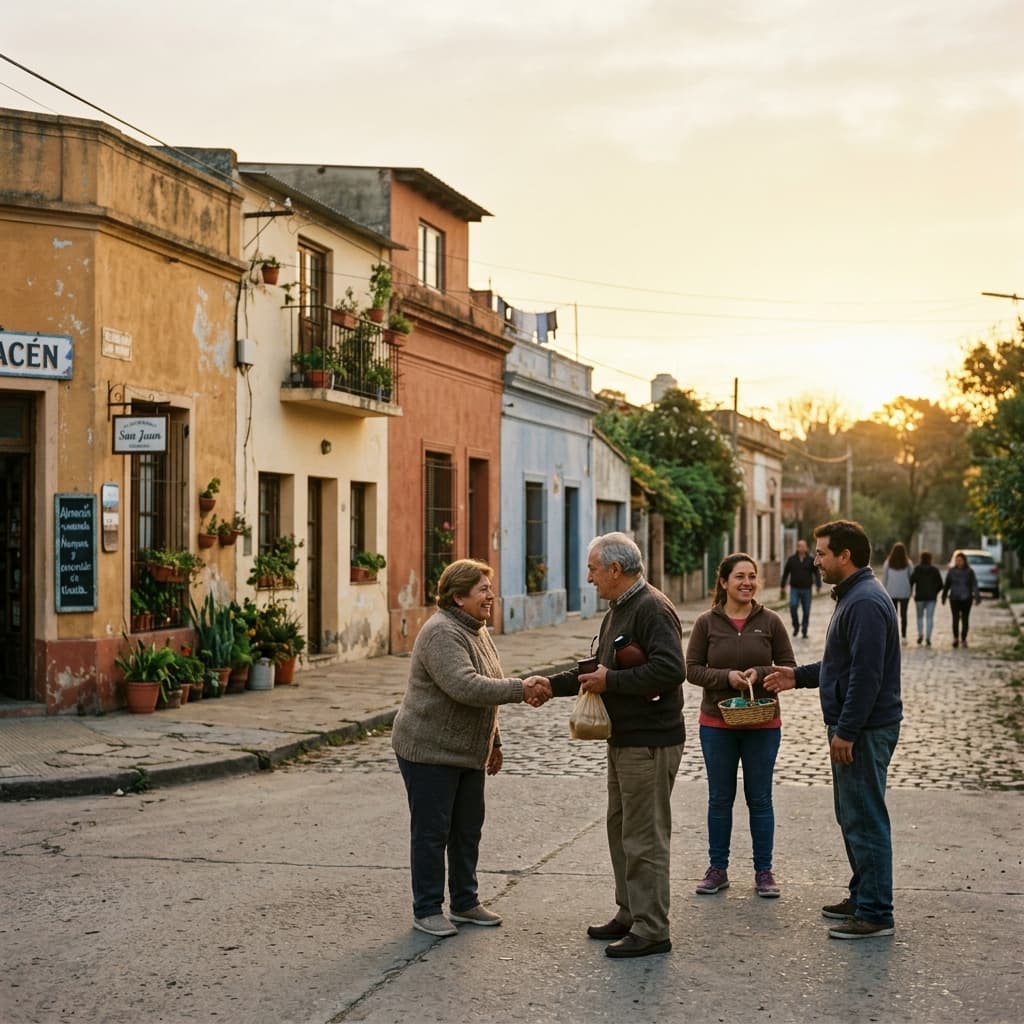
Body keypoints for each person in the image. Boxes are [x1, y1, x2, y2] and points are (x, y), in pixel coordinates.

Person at [526, 532, 685, 959]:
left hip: (649, 742)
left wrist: (611, 681)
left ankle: (652, 929)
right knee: (621, 828)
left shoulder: (651, 607)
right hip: (624, 738)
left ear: (616, 569)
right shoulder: (619, 607)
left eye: (594, 569)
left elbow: (672, 670)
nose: (590, 578)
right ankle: (630, 912)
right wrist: (553, 684)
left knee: (644, 836)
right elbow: (599, 668)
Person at [391, 559, 550, 938]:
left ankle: (465, 902)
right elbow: (466, 686)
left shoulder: (476, 629)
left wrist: (494, 742)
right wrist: (521, 689)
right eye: (482, 589)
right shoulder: (440, 633)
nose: (490, 595)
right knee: (432, 832)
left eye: (489, 588)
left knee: (467, 829)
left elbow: (486, 685)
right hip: (429, 749)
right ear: (458, 596)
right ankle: (427, 908)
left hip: (467, 751)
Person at [764, 519, 902, 940]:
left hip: (864, 728)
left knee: (864, 815)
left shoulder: (863, 602)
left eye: (823, 553)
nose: (817, 560)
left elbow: (866, 676)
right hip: (857, 724)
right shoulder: (854, 596)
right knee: (852, 813)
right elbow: (840, 667)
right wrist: (795, 676)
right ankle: (863, 895)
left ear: (845, 555)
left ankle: (876, 912)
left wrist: (846, 730)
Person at [685, 553, 796, 900]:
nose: (747, 583)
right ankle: (717, 869)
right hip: (716, 724)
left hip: (763, 723)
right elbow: (691, 669)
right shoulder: (707, 623)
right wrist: (725, 677)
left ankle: (764, 871)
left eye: (752, 576)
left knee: (760, 798)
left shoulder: (771, 621)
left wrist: (759, 674)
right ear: (724, 582)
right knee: (720, 798)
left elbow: (788, 666)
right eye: (739, 577)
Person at [780, 539, 821, 638]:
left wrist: (818, 585)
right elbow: (786, 573)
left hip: (807, 589)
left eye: (803, 546)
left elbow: (816, 573)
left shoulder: (811, 560)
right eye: (799, 546)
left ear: (806, 548)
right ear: (797, 548)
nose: (801, 548)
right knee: (793, 607)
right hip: (794, 588)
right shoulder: (791, 560)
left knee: (806, 610)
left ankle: (804, 630)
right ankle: (796, 626)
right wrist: (783, 586)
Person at [941, 552, 980, 648]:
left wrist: (977, 596)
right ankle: (955, 638)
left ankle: (964, 639)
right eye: (957, 560)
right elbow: (947, 585)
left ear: (964, 561)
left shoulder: (970, 572)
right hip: (954, 598)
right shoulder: (952, 571)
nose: (958, 562)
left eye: (960, 560)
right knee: (955, 618)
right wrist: (944, 596)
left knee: (965, 619)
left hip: (966, 598)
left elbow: (974, 584)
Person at [910, 551, 944, 646]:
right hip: (931, 597)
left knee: (919, 617)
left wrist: (912, 592)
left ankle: (920, 635)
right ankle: (928, 637)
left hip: (920, 597)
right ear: (930, 559)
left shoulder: (917, 569)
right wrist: (935, 592)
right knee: (929, 618)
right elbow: (941, 584)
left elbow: (911, 581)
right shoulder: (934, 570)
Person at [882, 542, 913, 641]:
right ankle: (904, 636)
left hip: (891, 592)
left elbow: (884, 578)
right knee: (904, 615)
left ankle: (893, 636)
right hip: (905, 592)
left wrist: (883, 590)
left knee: (893, 615)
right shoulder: (908, 563)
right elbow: (912, 577)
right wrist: (912, 590)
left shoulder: (888, 562)